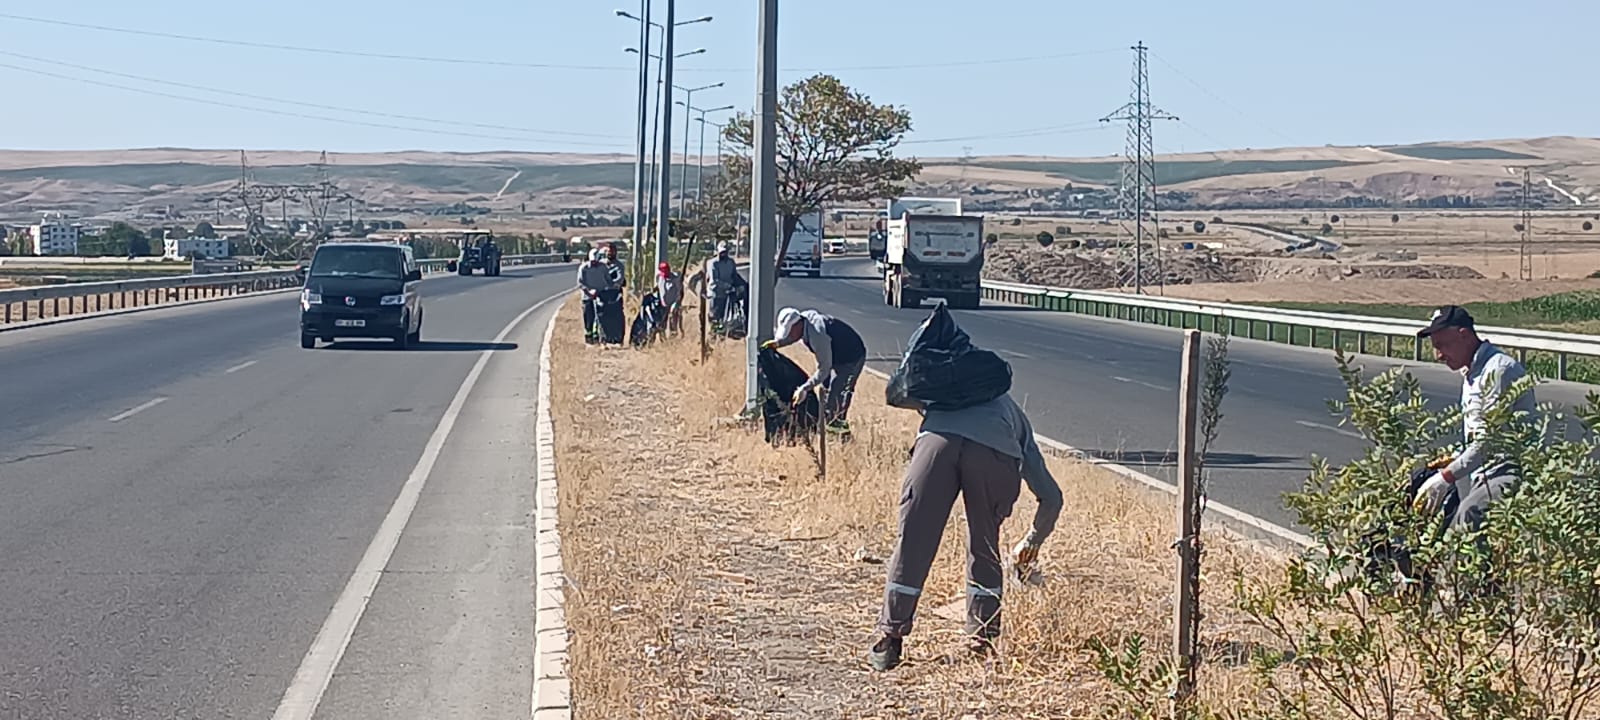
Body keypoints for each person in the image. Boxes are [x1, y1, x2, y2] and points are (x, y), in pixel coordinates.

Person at [869, 389, 1065, 671]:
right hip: (994, 456)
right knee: (983, 544)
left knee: (913, 542)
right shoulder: (1013, 415)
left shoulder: (940, 394)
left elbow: (897, 395)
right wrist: (1032, 542)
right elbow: (1051, 498)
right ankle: (982, 640)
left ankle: (890, 638)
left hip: (936, 445)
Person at [1412, 305, 1538, 534]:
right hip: (1482, 473)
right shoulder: (1471, 373)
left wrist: (1447, 476)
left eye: (1443, 346)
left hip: (1507, 471)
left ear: (1464, 335)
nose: (1438, 355)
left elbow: (1489, 442)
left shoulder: (1498, 371)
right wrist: (1452, 460)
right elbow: (1477, 437)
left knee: (1468, 515)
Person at [761, 307, 867, 435]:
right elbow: (794, 337)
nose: (788, 336)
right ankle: (826, 428)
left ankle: (839, 435)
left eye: (789, 332)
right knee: (824, 395)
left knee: (837, 397)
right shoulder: (803, 322)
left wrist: (804, 388)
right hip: (833, 355)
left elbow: (824, 369)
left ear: (797, 325)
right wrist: (778, 344)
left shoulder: (817, 334)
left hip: (851, 358)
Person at [577, 248, 619, 344]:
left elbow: (608, 280)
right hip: (587, 297)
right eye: (592, 262)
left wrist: (614, 286)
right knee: (588, 317)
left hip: (601, 296)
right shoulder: (584, 268)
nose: (594, 264)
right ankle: (588, 336)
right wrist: (589, 292)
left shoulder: (603, 268)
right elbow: (580, 283)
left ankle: (598, 337)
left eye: (596, 262)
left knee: (600, 317)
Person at [703, 242, 743, 329]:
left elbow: (734, 276)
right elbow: (714, 280)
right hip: (715, 293)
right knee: (714, 315)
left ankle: (721, 332)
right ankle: (713, 334)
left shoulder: (731, 262)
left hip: (726, 293)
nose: (723, 254)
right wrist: (728, 286)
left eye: (725, 252)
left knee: (723, 315)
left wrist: (739, 285)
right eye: (721, 252)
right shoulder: (713, 263)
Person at [656, 261, 684, 335]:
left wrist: (676, 303)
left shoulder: (675, 278)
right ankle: (663, 338)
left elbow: (679, 292)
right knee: (661, 322)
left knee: (673, 319)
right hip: (663, 303)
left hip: (673, 303)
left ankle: (673, 335)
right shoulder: (659, 278)